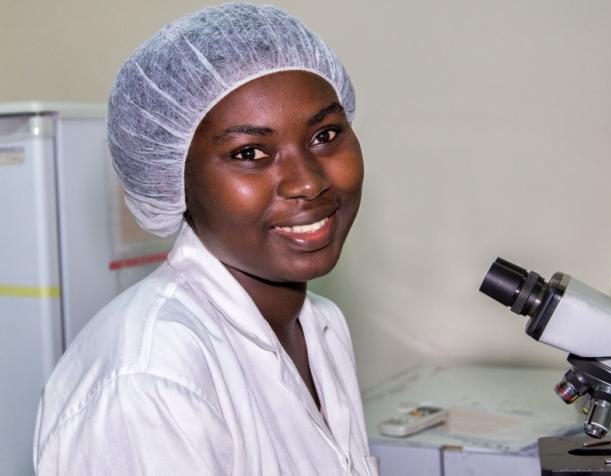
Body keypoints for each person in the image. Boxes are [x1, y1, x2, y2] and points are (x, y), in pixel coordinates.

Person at [32, 3, 376, 475]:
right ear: (173, 178)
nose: (308, 181)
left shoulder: (321, 326)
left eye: (325, 134)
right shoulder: (150, 381)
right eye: (250, 152)